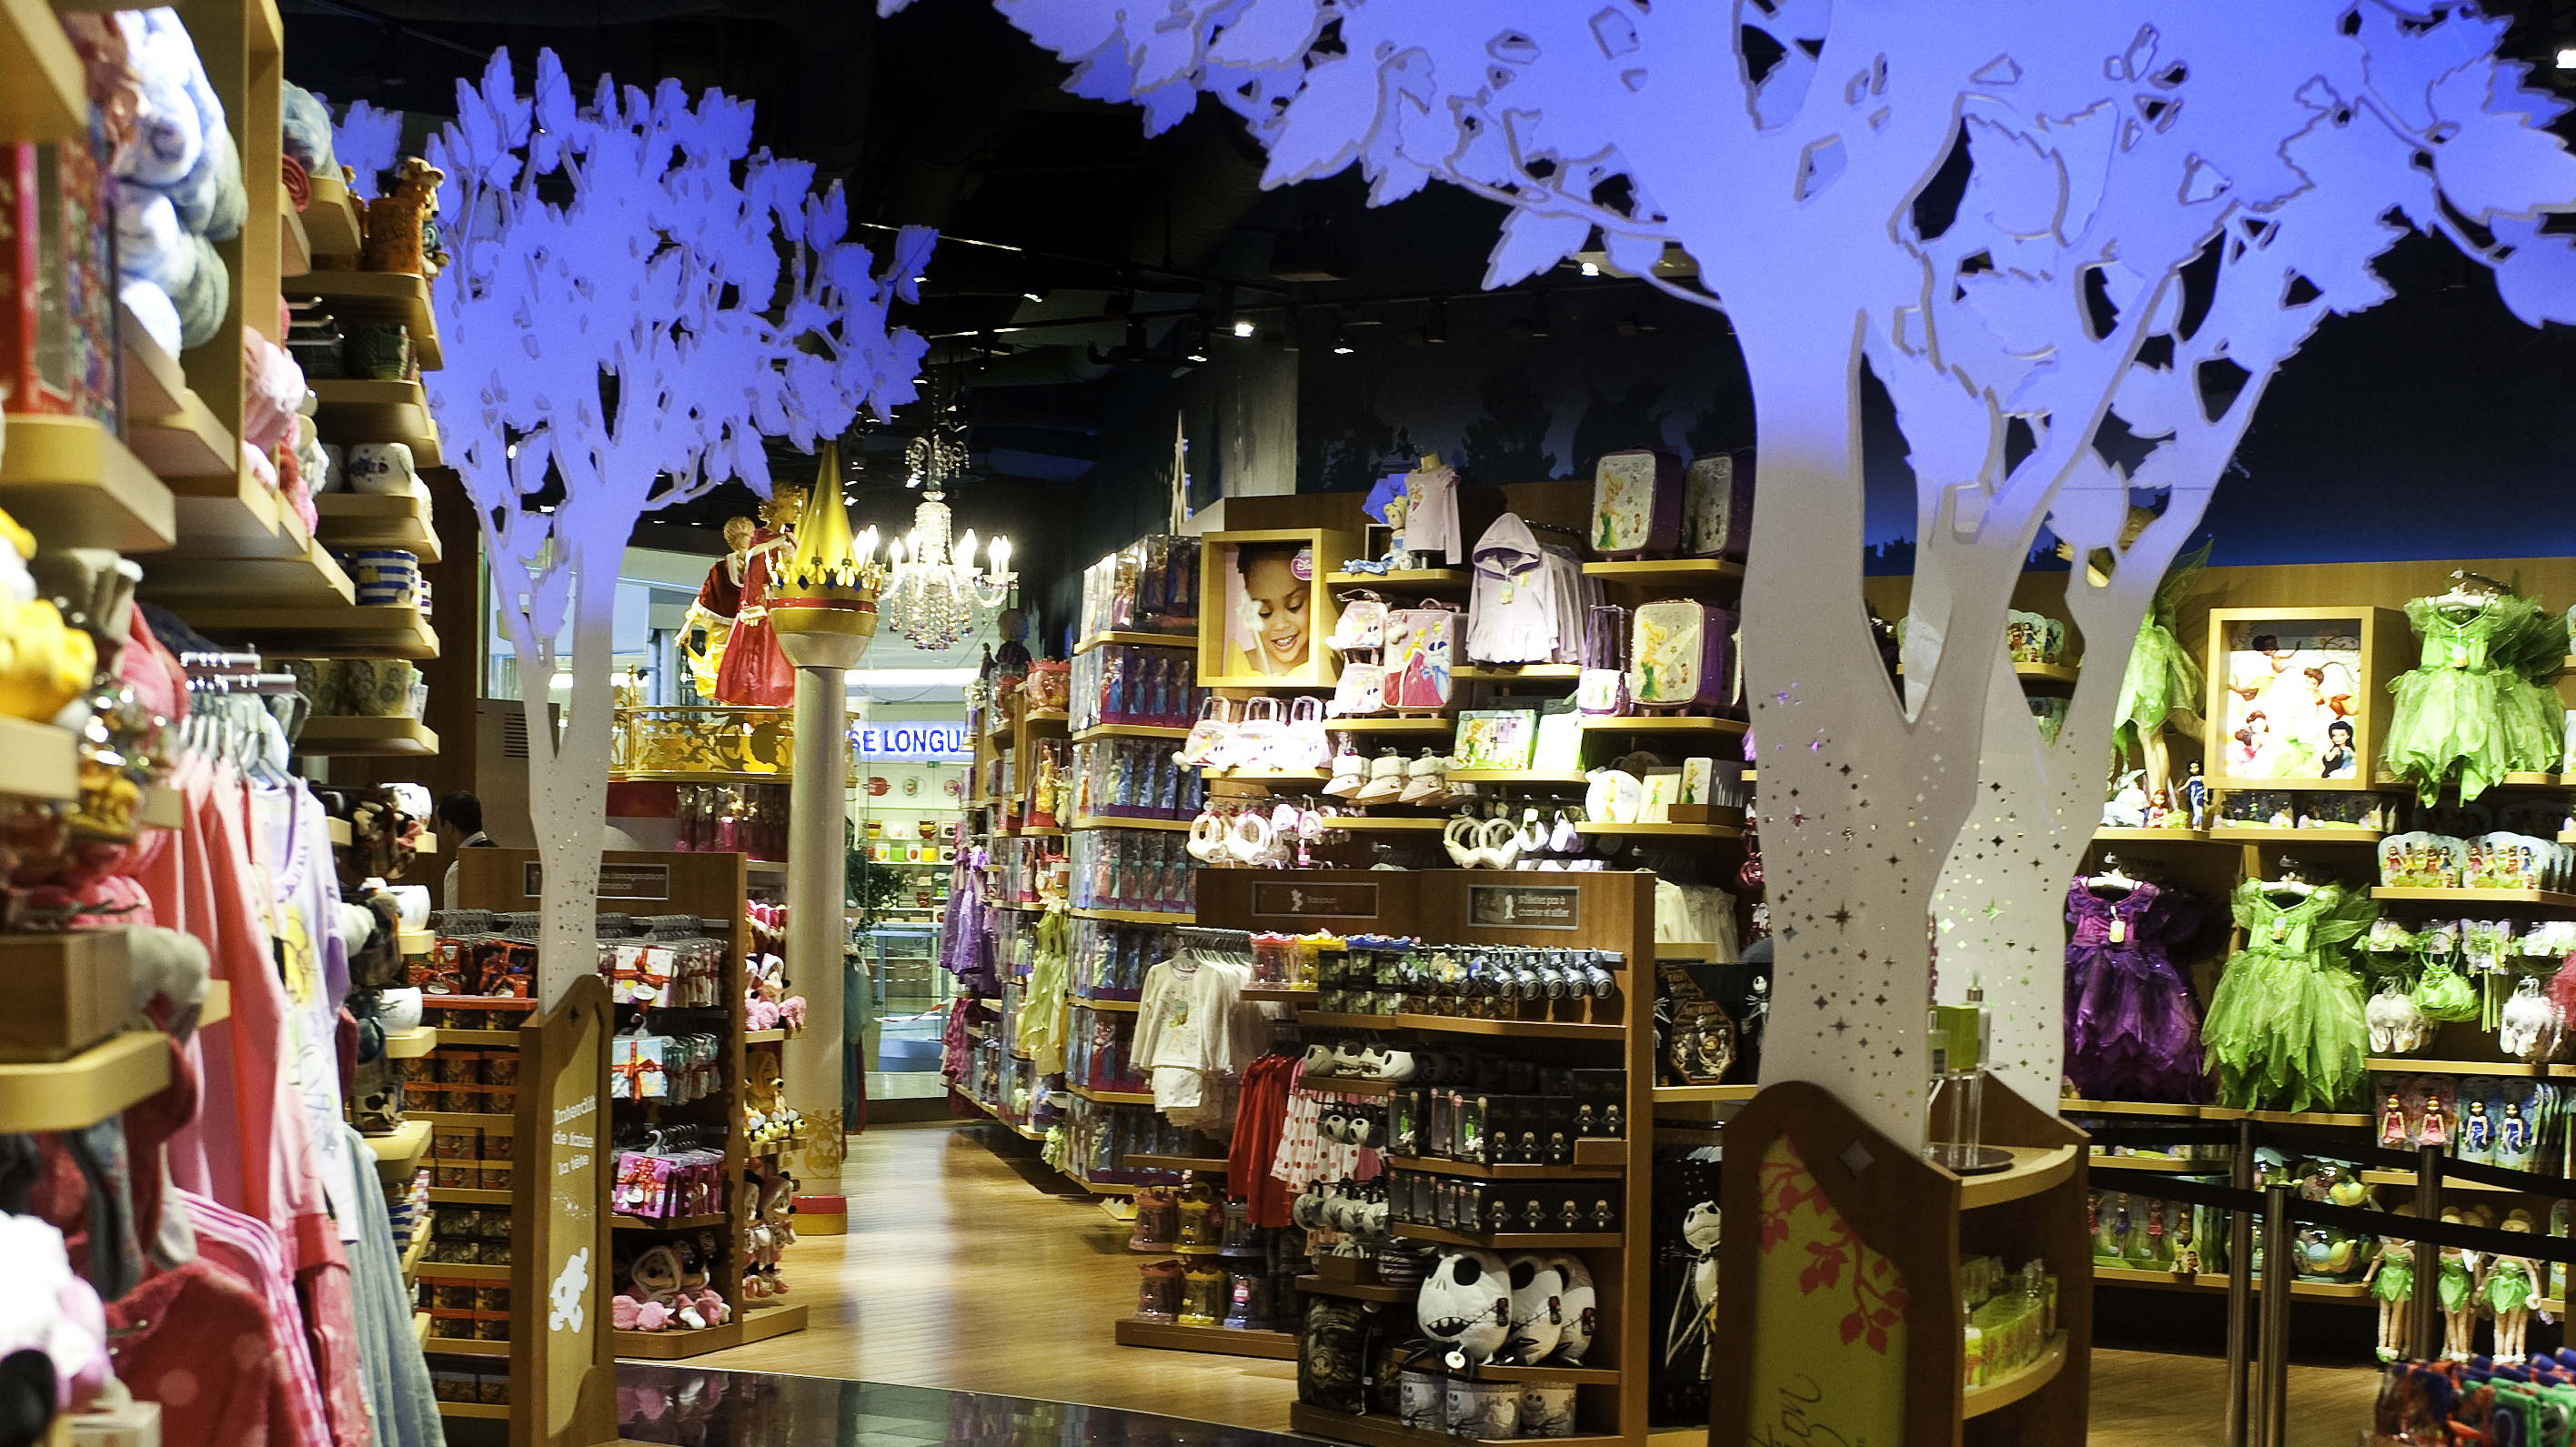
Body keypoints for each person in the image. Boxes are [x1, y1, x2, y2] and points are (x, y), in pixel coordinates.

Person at [1233, 543, 1312, 675]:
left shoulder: (1333, 666)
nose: (1280, 625)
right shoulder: (1238, 669)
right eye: (1264, 612)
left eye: (1294, 606)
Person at [438, 790, 498, 911]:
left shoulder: (459, 869)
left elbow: (453, 920)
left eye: (438, 824)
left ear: (448, 826)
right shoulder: (503, 858)